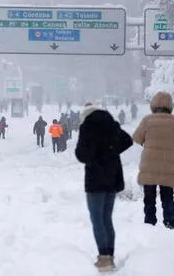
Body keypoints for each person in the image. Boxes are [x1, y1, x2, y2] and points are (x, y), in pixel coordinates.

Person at [75, 104, 132, 272]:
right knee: (107, 218)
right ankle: (110, 256)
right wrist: (111, 151)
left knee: (97, 218)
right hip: (112, 177)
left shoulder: (87, 127)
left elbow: (82, 154)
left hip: (95, 179)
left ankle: (104, 258)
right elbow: (127, 140)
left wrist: (95, 153)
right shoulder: (111, 124)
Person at [132, 91, 174, 229]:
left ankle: (149, 222)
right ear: (170, 106)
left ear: (154, 105)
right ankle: (169, 222)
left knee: (149, 197)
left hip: (149, 165)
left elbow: (136, 137)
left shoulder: (147, 120)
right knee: (167, 197)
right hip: (167, 165)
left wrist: (146, 142)